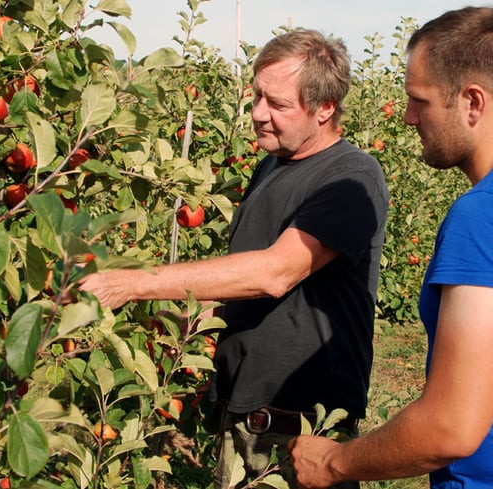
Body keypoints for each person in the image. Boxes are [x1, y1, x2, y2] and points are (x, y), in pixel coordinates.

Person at [288, 6, 493, 489]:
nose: (406, 117)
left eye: (419, 101)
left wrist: (333, 462)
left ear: (473, 102)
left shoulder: (490, 216)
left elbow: (451, 428)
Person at [79, 29, 389, 488]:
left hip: (300, 431)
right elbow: (247, 281)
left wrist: (133, 283)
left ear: (325, 108)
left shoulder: (352, 178)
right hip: (246, 415)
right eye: (257, 96)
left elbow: (275, 272)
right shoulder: (273, 164)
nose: (259, 114)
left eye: (278, 104)